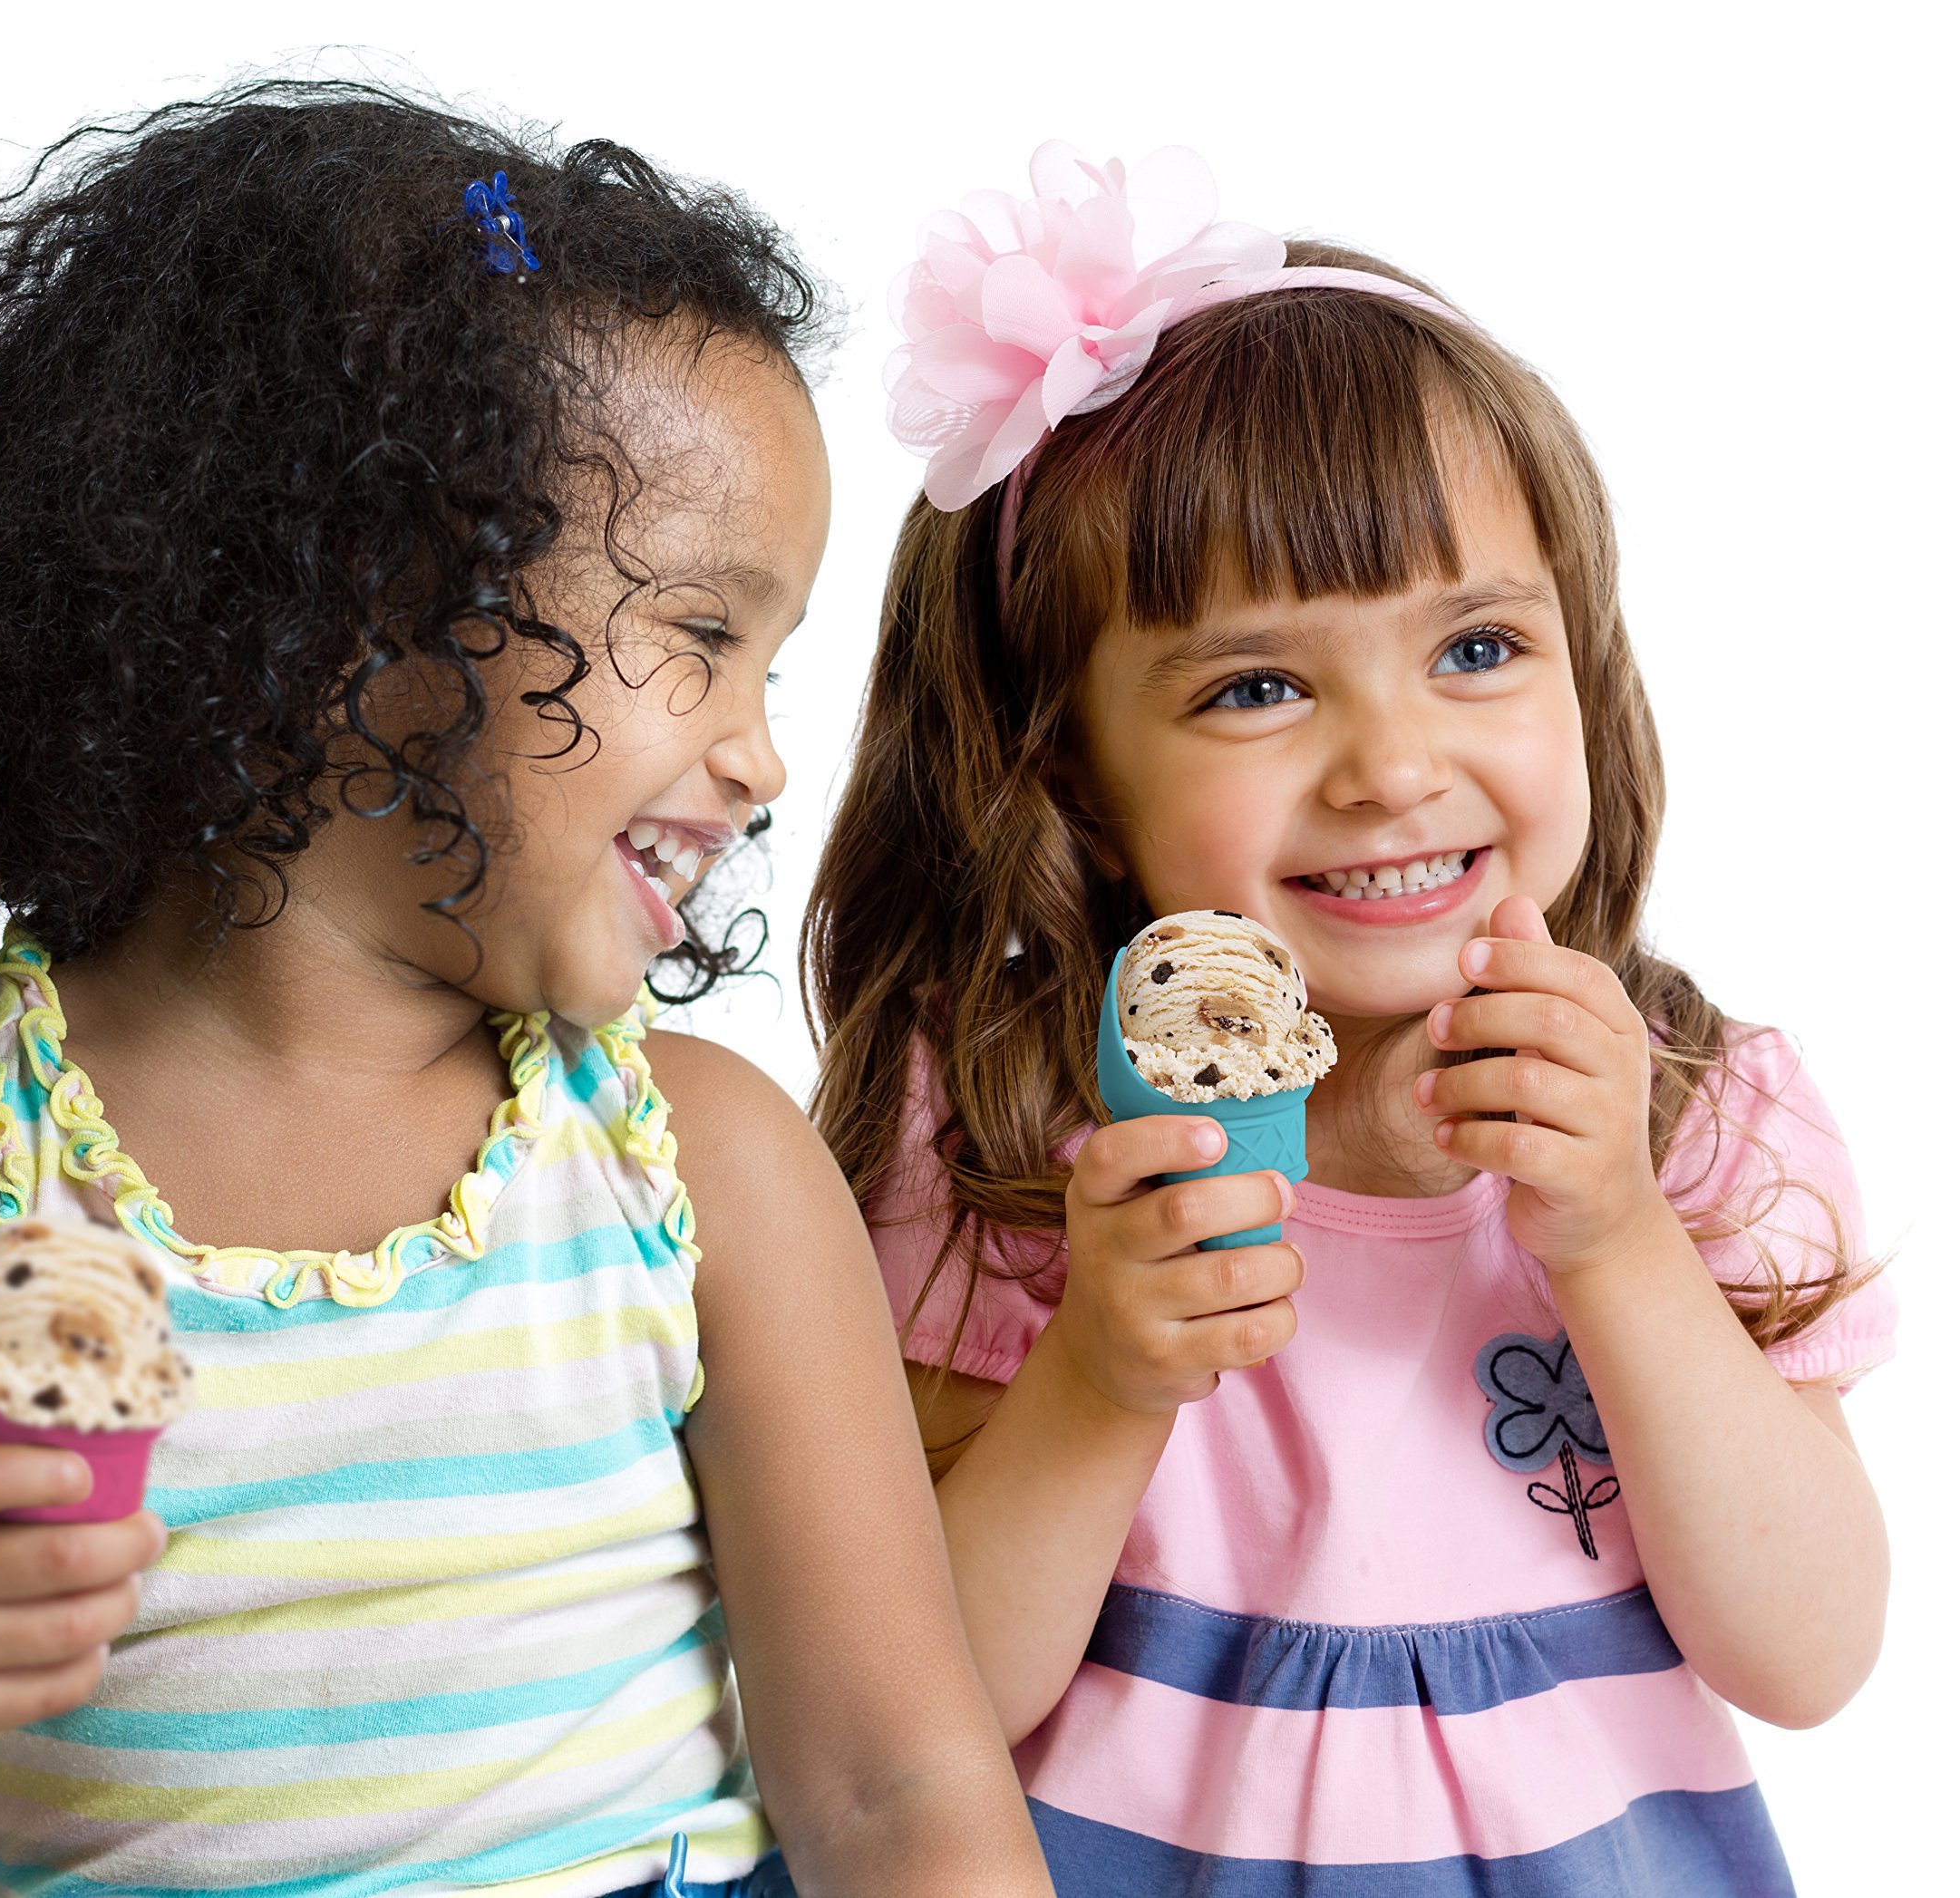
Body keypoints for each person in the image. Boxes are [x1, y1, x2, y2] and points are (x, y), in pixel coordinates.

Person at [0, 82, 1053, 1898]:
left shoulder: (687, 1160)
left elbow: (891, 1783)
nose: (756, 759)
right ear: (363, 608)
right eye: (705, 639)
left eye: (768, 666)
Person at [804, 140, 1894, 1894]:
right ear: (1073, 772)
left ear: (1584, 664)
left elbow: (1812, 1650)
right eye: (1258, 685)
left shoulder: (1692, 1111)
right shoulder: (1003, 1130)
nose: (1394, 769)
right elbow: (911, 1719)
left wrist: (1614, 1244)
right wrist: (1098, 1376)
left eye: (1476, 649)